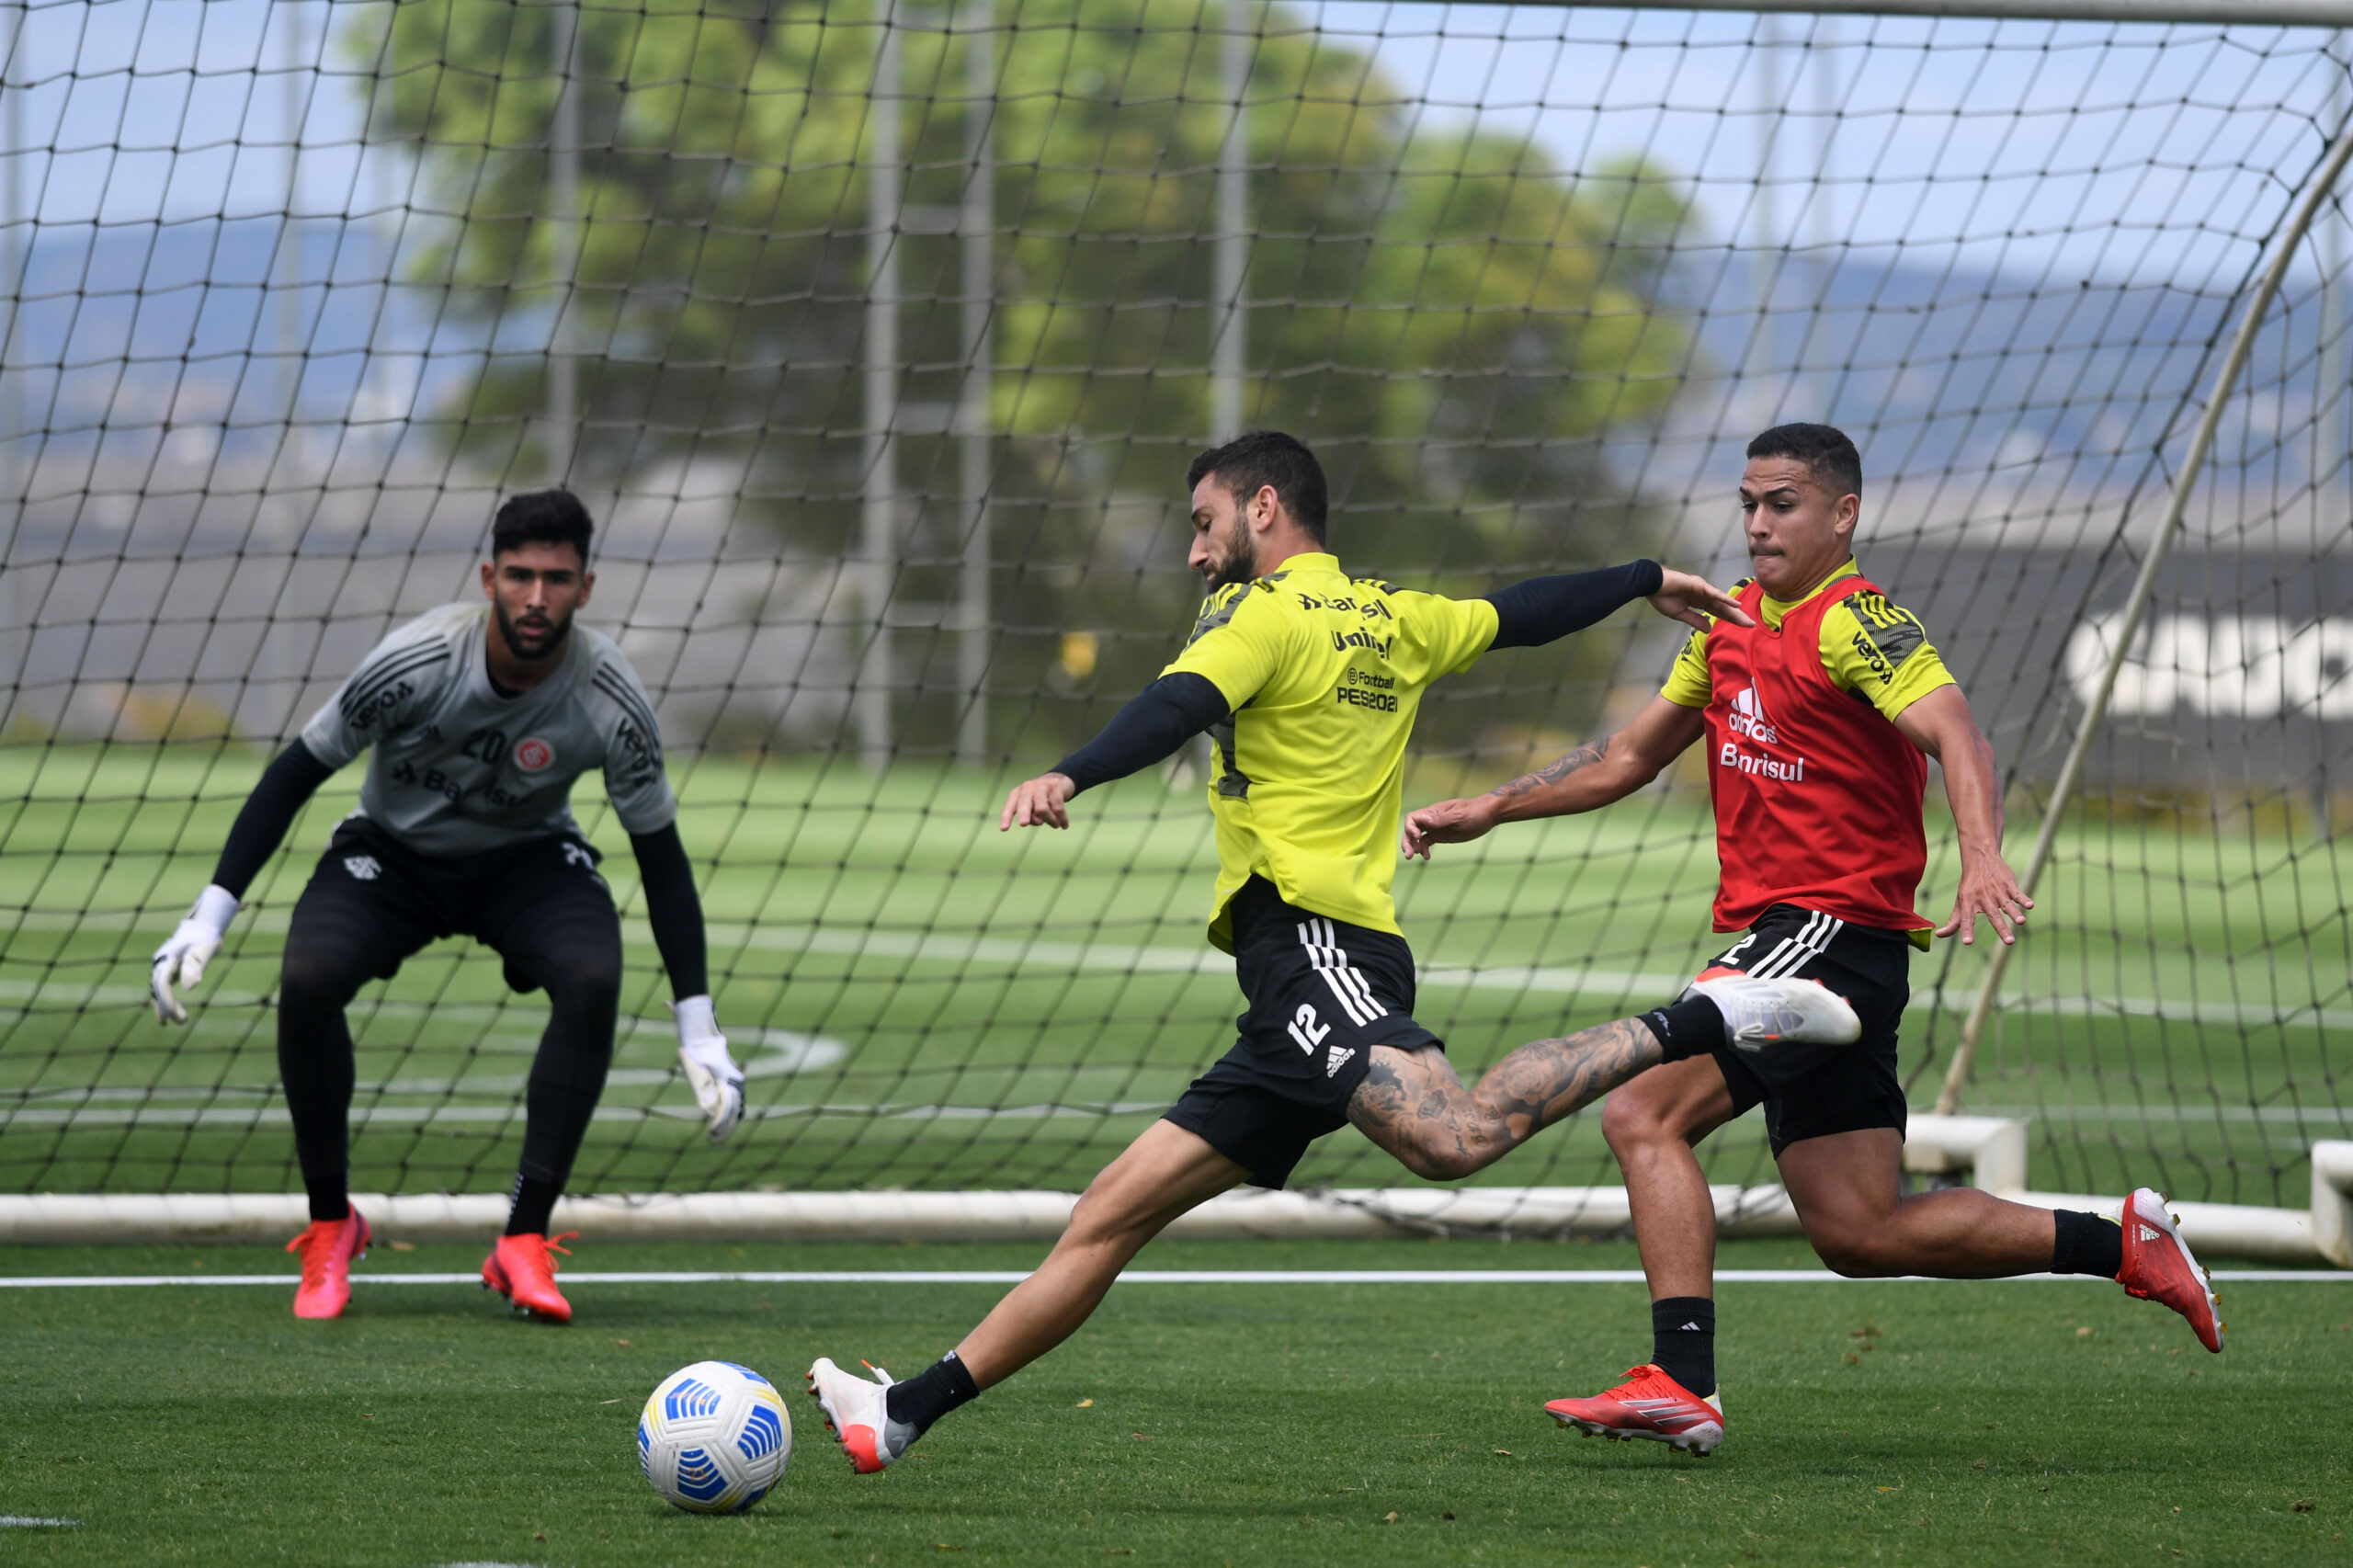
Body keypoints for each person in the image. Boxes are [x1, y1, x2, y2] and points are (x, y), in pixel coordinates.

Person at [806, 429, 1864, 1471]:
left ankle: (1708, 1018)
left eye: (1203, 520)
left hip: (1316, 947)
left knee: (1450, 1138)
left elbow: (1178, 703)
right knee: (1109, 1212)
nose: (1193, 548)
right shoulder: (1395, 614)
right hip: (1298, 978)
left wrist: (1070, 774)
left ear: (1264, 508)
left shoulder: (1264, 615)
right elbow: (1521, 614)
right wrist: (1641, 577)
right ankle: (901, 1411)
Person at [1401, 422, 2223, 1458]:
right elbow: (1624, 758)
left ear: (1842, 514)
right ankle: (2124, 1242)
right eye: (1747, 502)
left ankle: (1679, 1378)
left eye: (1781, 502)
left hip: (1825, 936)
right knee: (1858, 1229)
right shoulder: (1724, 624)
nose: (1755, 523)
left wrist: (1978, 854)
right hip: (1808, 948)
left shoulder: (1857, 620)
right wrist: (1490, 804)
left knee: (1642, 1112)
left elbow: (1957, 729)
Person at [148, 490, 745, 1324]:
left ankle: (522, 1240)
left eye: (558, 579)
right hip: (390, 856)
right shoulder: (418, 660)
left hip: (528, 861)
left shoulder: (610, 697)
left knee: (592, 972)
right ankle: (330, 1225)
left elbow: (663, 861)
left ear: (587, 586)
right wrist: (208, 915)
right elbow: (294, 773)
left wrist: (697, 1024)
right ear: (489, 576)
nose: (538, 598)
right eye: (521, 576)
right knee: (309, 978)